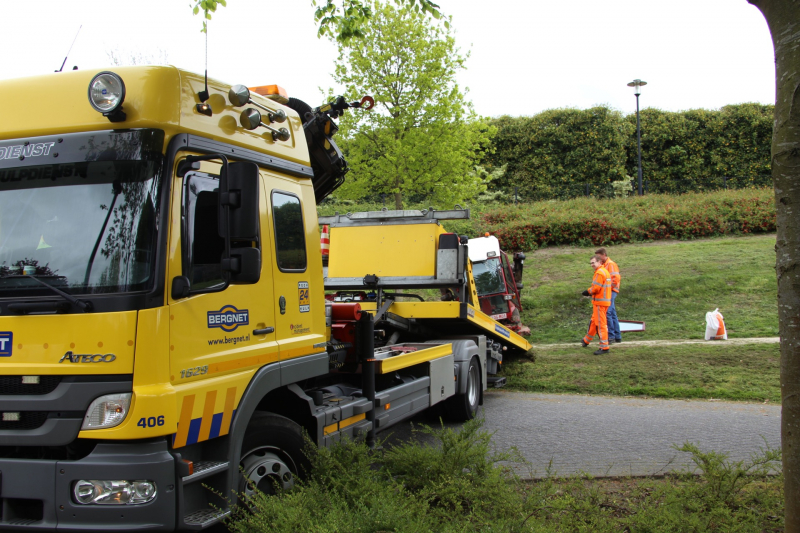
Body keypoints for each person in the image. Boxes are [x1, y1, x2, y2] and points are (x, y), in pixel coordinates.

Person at [581, 254, 612, 355]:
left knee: (601, 325)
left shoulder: (599, 273)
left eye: (593, 262)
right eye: (590, 263)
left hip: (599, 303)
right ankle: (586, 340)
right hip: (604, 302)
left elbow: (596, 288)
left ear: (599, 262)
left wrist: (588, 291)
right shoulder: (605, 272)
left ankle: (604, 347)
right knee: (594, 321)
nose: (592, 265)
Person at [595, 247, 621, 343]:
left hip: (611, 291)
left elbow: (616, 279)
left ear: (604, 255)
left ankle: (611, 336)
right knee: (612, 313)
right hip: (610, 291)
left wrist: (608, 289)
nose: (597, 258)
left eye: (599, 256)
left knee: (608, 312)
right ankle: (617, 336)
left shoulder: (610, 264)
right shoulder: (604, 265)